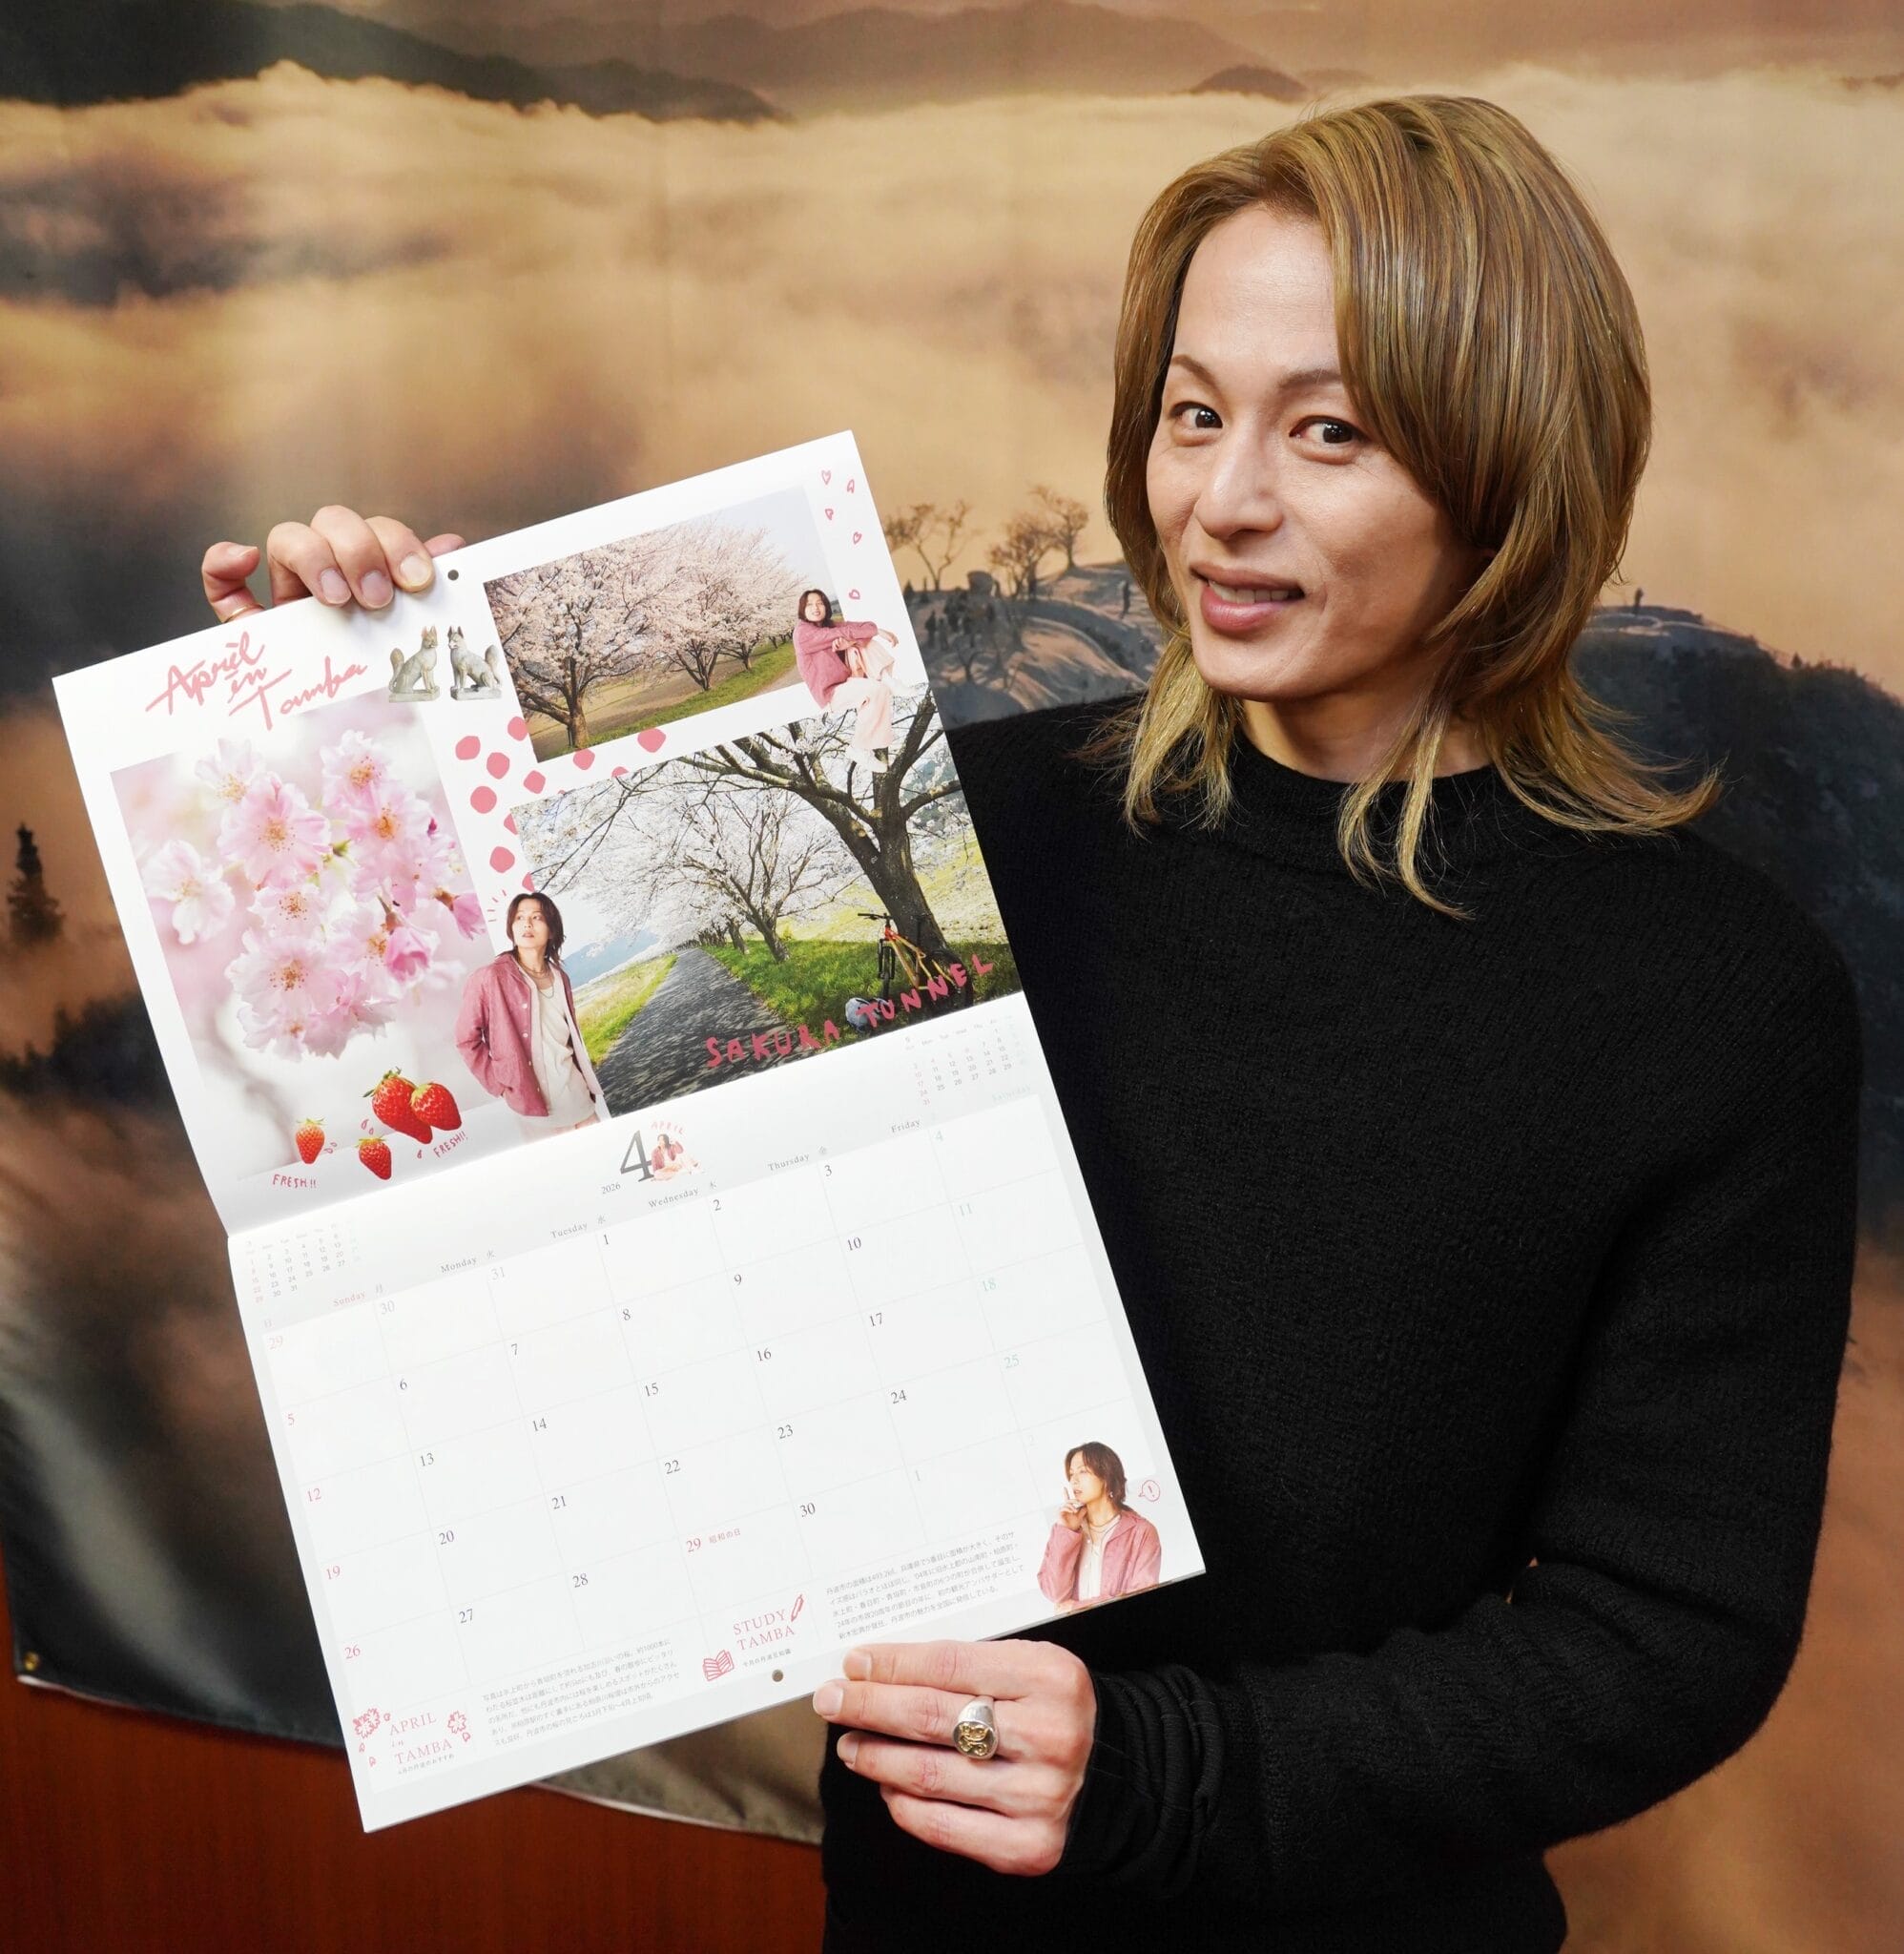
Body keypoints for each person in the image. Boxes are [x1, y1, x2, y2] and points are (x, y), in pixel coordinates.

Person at [199, 94, 1863, 1954]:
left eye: (1327, 430)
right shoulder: (956, 832)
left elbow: (1662, 1629)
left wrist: (1168, 1773)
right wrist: (355, 703)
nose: (1221, 498)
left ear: (1510, 466)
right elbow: (604, 1238)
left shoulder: (1713, 998)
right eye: (1191, 411)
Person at [452, 890, 604, 1133]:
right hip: (535, 1113)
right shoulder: (490, 977)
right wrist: (501, 1085)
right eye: (520, 917)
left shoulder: (560, 977)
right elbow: (465, 1039)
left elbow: (566, 1039)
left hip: (579, 1100)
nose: (527, 924)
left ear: (551, 930)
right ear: (511, 928)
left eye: (537, 917)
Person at [1037, 1443, 1162, 1609]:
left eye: (1082, 1471)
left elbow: (1143, 1595)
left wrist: (1077, 1607)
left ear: (1106, 1477)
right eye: (1071, 1474)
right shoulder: (1063, 1528)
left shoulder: (1142, 1532)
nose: (1073, 1480)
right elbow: (1054, 1593)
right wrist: (1067, 1531)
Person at [791, 587, 898, 767]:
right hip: (830, 692)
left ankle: (885, 677)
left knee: (878, 683)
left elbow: (858, 627)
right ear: (802, 609)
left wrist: (869, 633)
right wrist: (877, 632)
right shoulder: (803, 633)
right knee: (875, 690)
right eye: (810, 605)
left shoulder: (829, 625)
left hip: (847, 680)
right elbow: (839, 633)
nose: (816, 608)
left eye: (820, 603)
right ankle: (859, 748)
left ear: (826, 606)